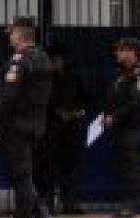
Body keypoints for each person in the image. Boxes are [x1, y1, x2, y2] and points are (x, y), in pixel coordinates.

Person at [0, 16, 53, 218]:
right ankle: (34, 213)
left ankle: (36, 214)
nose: (9, 38)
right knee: (25, 175)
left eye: (12, 33)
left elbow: (8, 97)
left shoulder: (19, 60)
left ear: (20, 34)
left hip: (17, 126)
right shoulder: (43, 57)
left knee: (21, 176)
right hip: (37, 125)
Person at [36, 44, 87, 215]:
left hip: (72, 128)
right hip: (52, 129)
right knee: (50, 168)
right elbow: (43, 101)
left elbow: (85, 99)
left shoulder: (74, 77)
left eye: (59, 59)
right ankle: (49, 204)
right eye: (53, 60)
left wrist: (77, 112)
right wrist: (58, 112)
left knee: (70, 167)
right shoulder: (46, 79)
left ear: (64, 60)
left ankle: (69, 202)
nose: (56, 62)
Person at [103, 37, 140, 218]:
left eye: (120, 50)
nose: (117, 53)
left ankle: (133, 204)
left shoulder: (138, 73)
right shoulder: (122, 73)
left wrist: (115, 116)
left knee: (131, 166)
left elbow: (137, 102)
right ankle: (130, 202)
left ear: (131, 52)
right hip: (119, 127)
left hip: (130, 127)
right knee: (125, 166)